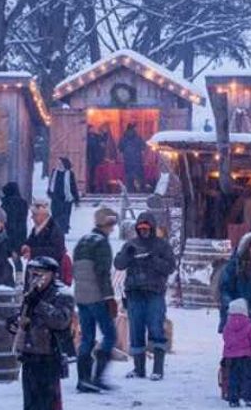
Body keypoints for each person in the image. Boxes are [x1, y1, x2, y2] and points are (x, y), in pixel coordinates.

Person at [12, 256, 74, 410]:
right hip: (30, 354)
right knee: (30, 408)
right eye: (33, 273)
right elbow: (23, 318)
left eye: (40, 273)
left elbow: (61, 320)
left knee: (45, 407)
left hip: (49, 355)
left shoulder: (61, 293)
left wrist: (39, 305)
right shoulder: (30, 293)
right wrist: (15, 322)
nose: (35, 278)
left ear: (51, 274)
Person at [114, 212, 176, 380]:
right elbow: (118, 264)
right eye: (140, 228)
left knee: (156, 328)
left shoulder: (162, 246)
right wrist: (127, 254)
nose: (143, 231)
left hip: (154, 293)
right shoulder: (131, 244)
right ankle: (139, 369)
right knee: (136, 331)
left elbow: (170, 267)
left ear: (152, 227)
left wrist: (153, 260)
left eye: (146, 228)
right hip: (134, 294)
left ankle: (157, 369)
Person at [72, 207, 119, 393]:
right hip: (97, 296)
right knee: (109, 335)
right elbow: (102, 274)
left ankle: (83, 379)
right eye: (111, 225)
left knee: (87, 338)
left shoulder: (82, 241)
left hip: (81, 296)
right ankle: (97, 376)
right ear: (106, 224)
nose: (113, 229)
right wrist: (109, 298)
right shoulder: (102, 244)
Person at [217, 232, 251, 333]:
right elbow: (225, 290)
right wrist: (232, 308)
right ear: (247, 249)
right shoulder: (233, 267)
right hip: (234, 319)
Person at [221, 299, 251, 408]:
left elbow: (226, 340)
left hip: (232, 358)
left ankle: (233, 399)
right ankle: (249, 397)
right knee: (247, 377)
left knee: (233, 377)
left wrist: (226, 355)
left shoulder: (227, 326)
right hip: (245, 357)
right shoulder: (250, 325)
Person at [22, 200, 66, 268]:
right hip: (37, 269)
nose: (32, 217)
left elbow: (56, 251)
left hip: (49, 271)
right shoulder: (36, 228)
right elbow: (30, 241)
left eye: (34, 215)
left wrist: (33, 252)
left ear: (43, 215)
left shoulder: (54, 229)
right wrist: (26, 246)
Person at [47, 157, 80, 234]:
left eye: (60, 163)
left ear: (65, 164)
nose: (58, 165)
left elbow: (73, 186)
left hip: (66, 199)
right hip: (55, 198)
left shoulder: (70, 173)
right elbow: (51, 183)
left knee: (64, 216)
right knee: (55, 214)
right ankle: (55, 230)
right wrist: (49, 192)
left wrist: (76, 199)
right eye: (58, 163)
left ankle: (63, 230)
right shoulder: (54, 172)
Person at [0, 182, 29, 256]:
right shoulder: (24, 203)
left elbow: (8, 222)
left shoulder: (6, 203)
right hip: (21, 235)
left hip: (8, 236)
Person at [119, 123, 146, 193]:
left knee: (128, 176)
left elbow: (120, 149)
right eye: (136, 128)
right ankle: (138, 191)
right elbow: (143, 148)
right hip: (137, 160)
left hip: (127, 160)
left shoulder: (123, 138)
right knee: (138, 176)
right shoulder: (138, 138)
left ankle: (129, 191)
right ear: (133, 128)